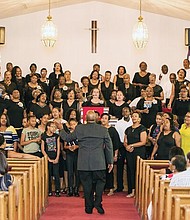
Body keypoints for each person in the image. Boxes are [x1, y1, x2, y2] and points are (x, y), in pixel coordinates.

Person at [59, 110, 113, 214]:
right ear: (97, 118)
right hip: (99, 162)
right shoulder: (103, 130)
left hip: (83, 163)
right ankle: (98, 201)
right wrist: (110, 161)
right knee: (100, 182)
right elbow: (109, 147)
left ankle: (88, 208)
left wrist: (61, 129)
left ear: (85, 119)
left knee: (87, 185)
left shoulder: (79, 128)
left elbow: (67, 138)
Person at [124, 112, 147, 197]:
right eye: (132, 116)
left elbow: (143, 141)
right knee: (130, 170)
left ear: (139, 119)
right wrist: (126, 146)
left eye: (136, 116)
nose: (133, 118)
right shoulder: (128, 129)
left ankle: (138, 191)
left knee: (138, 171)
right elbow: (125, 141)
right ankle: (131, 190)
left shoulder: (142, 128)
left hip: (139, 152)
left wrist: (132, 145)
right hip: (129, 152)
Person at [101, 113, 120, 196]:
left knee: (110, 171)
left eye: (106, 118)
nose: (104, 120)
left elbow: (116, 144)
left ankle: (111, 188)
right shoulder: (98, 129)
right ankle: (100, 189)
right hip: (99, 154)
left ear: (108, 120)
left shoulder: (112, 130)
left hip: (109, 153)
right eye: (103, 118)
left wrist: (115, 155)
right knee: (100, 172)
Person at [114, 107, 133, 192]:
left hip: (130, 146)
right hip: (121, 145)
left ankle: (130, 187)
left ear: (130, 112)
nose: (125, 113)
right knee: (119, 166)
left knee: (130, 166)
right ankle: (119, 186)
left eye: (127, 111)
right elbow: (117, 136)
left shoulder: (133, 122)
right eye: (123, 111)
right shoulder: (119, 123)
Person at [41, 121, 60, 197]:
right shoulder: (43, 136)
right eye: (52, 126)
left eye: (55, 127)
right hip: (47, 157)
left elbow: (58, 148)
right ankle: (49, 190)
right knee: (48, 174)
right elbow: (43, 149)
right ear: (48, 127)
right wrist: (47, 158)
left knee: (56, 174)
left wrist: (57, 158)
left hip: (55, 156)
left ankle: (57, 190)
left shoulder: (56, 136)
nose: (54, 128)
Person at [64, 118, 80, 197]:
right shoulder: (67, 134)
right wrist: (69, 147)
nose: (73, 126)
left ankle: (76, 189)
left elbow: (82, 144)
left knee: (77, 172)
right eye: (71, 124)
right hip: (69, 154)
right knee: (70, 172)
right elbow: (64, 145)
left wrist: (77, 146)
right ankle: (70, 189)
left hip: (77, 154)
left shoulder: (79, 133)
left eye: (74, 124)